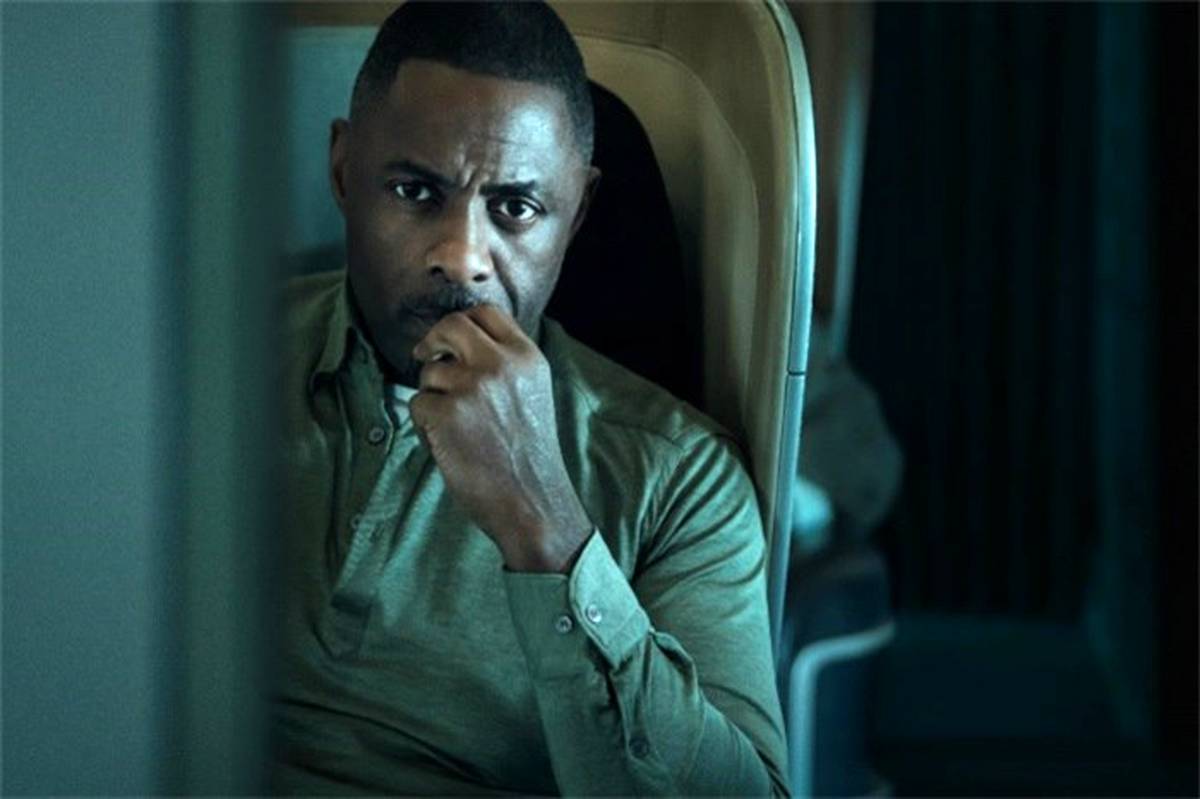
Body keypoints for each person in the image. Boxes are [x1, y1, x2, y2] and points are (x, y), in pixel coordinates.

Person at [274, 2, 789, 794]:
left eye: (515, 208)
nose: (462, 258)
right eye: (415, 191)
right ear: (344, 171)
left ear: (576, 213)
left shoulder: (683, 481)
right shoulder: (185, 365)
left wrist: (544, 522)